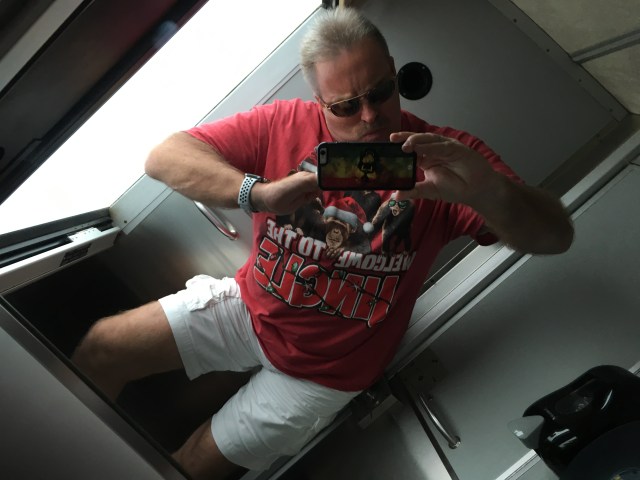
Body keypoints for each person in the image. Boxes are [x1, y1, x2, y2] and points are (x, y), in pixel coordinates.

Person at [71, 6, 574, 480]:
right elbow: (164, 156)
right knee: (102, 347)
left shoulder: (449, 159)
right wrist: (257, 194)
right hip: (249, 308)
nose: (370, 117)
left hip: (324, 374)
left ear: (395, 73)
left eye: (381, 93)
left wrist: (487, 191)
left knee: (189, 465)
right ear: (320, 104)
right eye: (346, 107)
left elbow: (555, 236)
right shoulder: (284, 122)